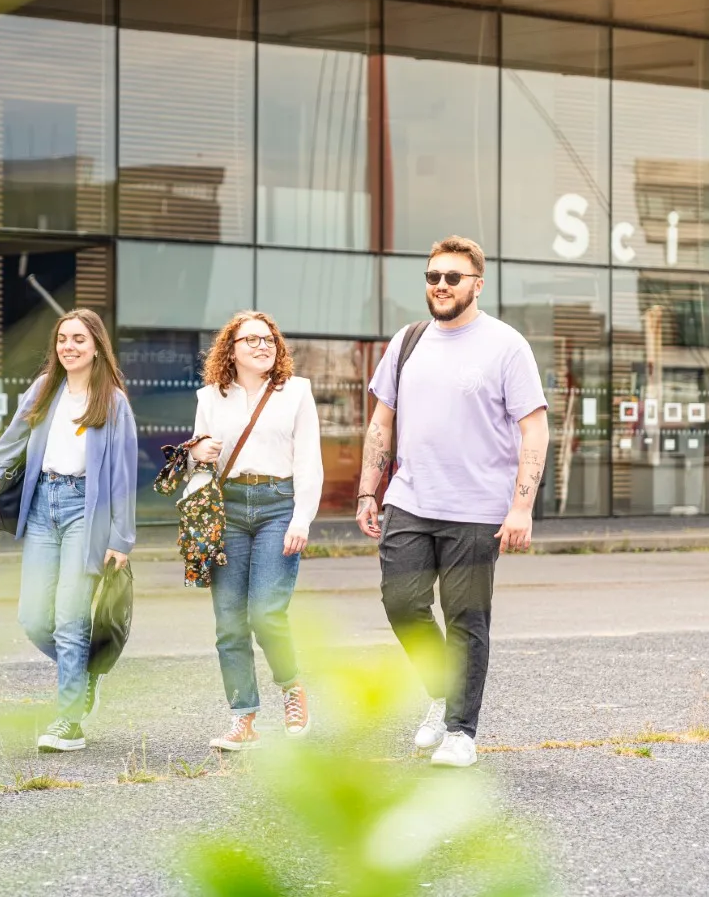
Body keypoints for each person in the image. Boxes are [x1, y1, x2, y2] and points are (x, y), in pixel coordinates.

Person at [355, 236, 548, 768]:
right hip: (410, 499)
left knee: (467, 617)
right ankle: (441, 692)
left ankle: (461, 731)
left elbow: (534, 429)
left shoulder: (506, 346)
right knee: (402, 603)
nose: (439, 285)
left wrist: (521, 507)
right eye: (432, 276)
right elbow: (382, 420)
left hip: (478, 510)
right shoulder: (409, 340)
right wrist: (370, 488)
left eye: (452, 278)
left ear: (476, 284)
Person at [0, 309, 138, 753]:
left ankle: (69, 722)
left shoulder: (113, 401)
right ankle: (84, 674)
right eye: (63, 339)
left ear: (96, 347)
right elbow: (8, 443)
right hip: (41, 507)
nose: (69, 346)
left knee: (70, 618)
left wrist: (120, 538)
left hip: (84, 510)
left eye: (79, 340)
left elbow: (124, 475)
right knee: (33, 617)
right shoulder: (43, 389)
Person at [190, 311, 323, 751]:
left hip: (277, 507)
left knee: (265, 612)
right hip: (226, 509)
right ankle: (243, 717)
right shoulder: (210, 396)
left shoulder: (296, 392)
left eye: (268, 340)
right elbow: (196, 465)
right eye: (251, 340)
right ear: (231, 349)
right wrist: (200, 453)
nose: (262, 346)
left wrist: (302, 517)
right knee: (229, 623)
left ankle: (291, 688)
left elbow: (308, 458)